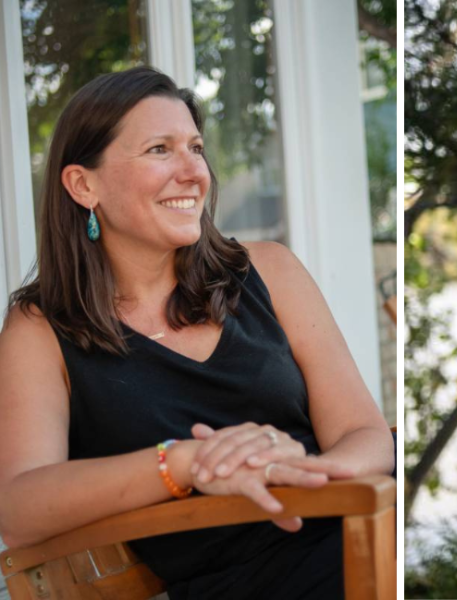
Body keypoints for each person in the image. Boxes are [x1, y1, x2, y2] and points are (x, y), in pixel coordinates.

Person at [0, 66, 394, 600]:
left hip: (351, 544)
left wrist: (296, 473)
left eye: (196, 146)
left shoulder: (269, 270)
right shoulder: (42, 328)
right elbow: (19, 509)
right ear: (82, 184)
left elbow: (368, 437)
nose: (194, 172)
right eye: (160, 149)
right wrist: (181, 462)